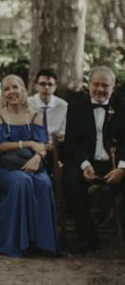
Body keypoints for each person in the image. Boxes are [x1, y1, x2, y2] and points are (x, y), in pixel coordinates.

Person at [0, 75, 59, 257]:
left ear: (23, 90)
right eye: (7, 89)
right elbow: (0, 146)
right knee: (22, 182)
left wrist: (37, 157)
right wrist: (27, 144)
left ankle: (42, 244)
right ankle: (16, 243)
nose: (12, 92)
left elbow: (42, 144)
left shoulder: (35, 114)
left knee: (44, 183)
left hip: (33, 163)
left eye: (15, 87)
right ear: (3, 94)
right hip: (6, 166)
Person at [62, 66, 125, 253]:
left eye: (105, 85)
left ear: (113, 87)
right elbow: (70, 145)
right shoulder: (75, 108)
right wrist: (84, 165)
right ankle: (88, 239)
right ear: (88, 85)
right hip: (87, 162)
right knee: (71, 180)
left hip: (116, 163)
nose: (100, 89)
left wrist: (122, 168)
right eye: (95, 84)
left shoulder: (122, 107)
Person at [27, 68, 68, 166]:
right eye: (42, 84)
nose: (46, 87)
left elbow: (64, 133)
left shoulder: (63, 106)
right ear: (36, 85)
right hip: (33, 145)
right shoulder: (28, 104)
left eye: (50, 84)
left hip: (55, 146)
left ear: (55, 87)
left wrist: (53, 143)